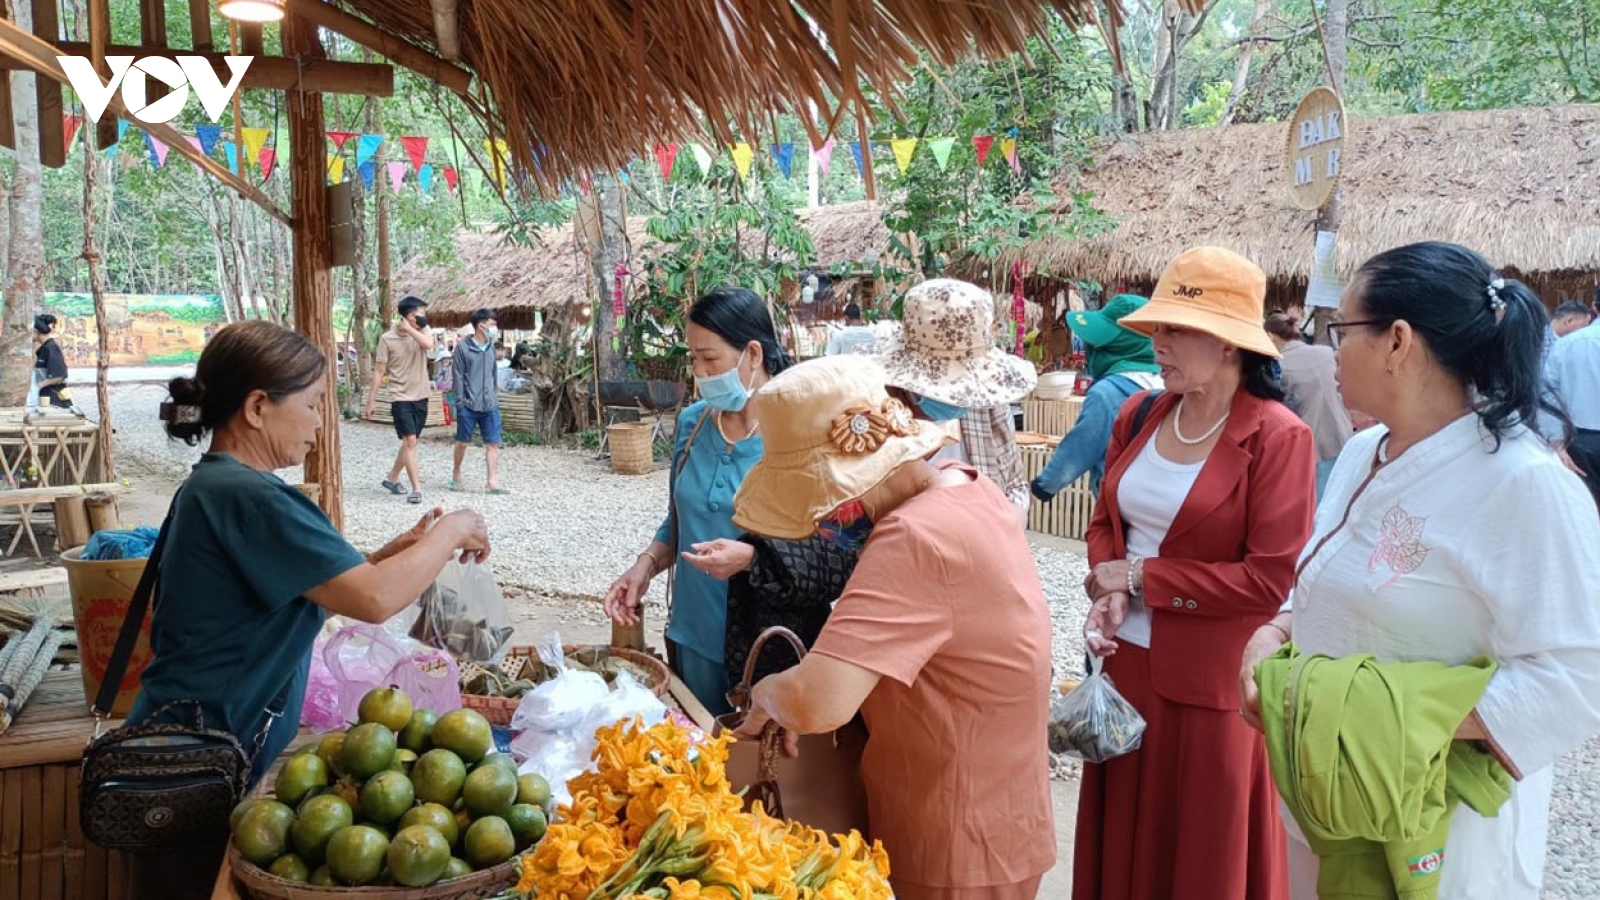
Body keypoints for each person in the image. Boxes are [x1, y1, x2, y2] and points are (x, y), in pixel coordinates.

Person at [1239, 242, 1600, 899]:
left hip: (1440, 820)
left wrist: (1385, 719)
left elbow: (1580, 674)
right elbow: (1328, 580)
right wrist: (1278, 631)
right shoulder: (1358, 453)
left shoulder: (1525, 484)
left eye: (1342, 331)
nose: (1333, 350)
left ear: (1397, 342)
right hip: (1335, 795)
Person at [132, 320, 490, 899]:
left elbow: (302, 602)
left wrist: (390, 553)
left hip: (189, 755)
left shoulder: (213, 486)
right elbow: (374, 600)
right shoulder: (249, 495)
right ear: (256, 407)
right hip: (200, 769)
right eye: (313, 405)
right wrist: (452, 530)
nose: (321, 424)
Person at [731, 354, 1055, 900]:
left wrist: (766, 695)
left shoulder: (913, 538)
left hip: (953, 836)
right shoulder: (967, 487)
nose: (819, 524)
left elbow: (817, 701)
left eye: (820, 504)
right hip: (1001, 813)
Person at [1074, 247, 1315, 900]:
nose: (1159, 343)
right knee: (1125, 851)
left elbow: (1268, 581)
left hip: (1211, 690)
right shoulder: (1141, 414)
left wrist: (1141, 580)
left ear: (1232, 343)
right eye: (1158, 328)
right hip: (1126, 671)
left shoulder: (1277, 437)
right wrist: (1108, 586)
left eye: (1177, 328)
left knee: (1202, 861)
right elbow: (1106, 522)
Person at [603, 287, 793, 714]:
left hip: (764, 646)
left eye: (711, 360)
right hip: (692, 634)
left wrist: (750, 557)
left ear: (753, 355)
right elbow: (678, 519)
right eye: (694, 359)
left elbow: (823, 549)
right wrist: (645, 565)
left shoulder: (796, 435)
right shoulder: (692, 424)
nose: (700, 373)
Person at [877, 278, 1037, 514]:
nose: (955, 398)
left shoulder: (987, 400)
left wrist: (1012, 516)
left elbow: (1013, 481)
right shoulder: (877, 414)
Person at [1031, 294, 1163, 501]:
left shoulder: (1109, 393)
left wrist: (1044, 486)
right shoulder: (1168, 386)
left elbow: (1082, 446)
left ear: (1111, 347)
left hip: (1119, 504)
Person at [1265, 311, 1353, 498]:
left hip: (1310, 451)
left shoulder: (1277, 366)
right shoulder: (1327, 352)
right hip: (1344, 438)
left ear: (1270, 336)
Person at [365, 296, 434, 504]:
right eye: (419, 315)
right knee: (410, 441)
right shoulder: (387, 339)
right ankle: (416, 489)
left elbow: (428, 345)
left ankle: (392, 478)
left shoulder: (423, 331)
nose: (423, 319)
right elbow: (379, 371)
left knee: (411, 443)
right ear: (409, 316)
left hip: (421, 394)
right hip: (400, 396)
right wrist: (371, 400)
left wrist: (413, 329)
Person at [450, 309, 508, 495]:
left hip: (490, 404)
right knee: (462, 442)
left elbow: (493, 373)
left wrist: (494, 396)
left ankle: (491, 481)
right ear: (481, 325)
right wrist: (460, 403)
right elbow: (457, 376)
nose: (494, 328)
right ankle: (456, 472)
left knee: (493, 443)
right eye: (492, 324)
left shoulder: (491, 347)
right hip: (468, 404)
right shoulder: (463, 348)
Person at [32, 314, 71, 409]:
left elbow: (58, 376)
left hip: (54, 399)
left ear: (36, 331)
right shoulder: (44, 348)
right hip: (46, 396)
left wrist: (38, 386)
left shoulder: (50, 348)